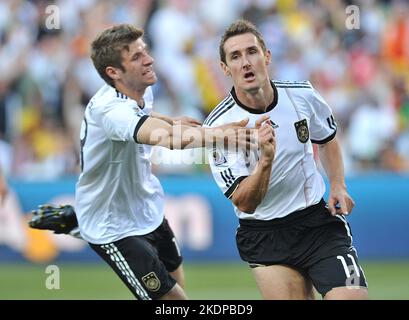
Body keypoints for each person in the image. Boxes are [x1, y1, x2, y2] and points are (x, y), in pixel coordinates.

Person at [30, 24, 257, 301]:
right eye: (136, 57)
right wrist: (221, 135)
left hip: (147, 209)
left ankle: (76, 221)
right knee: (175, 303)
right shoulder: (111, 111)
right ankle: (81, 224)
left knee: (178, 285)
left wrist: (171, 120)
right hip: (113, 226)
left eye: (145, 51)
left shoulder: (139, 89)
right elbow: (167, 139)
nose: (149, 60)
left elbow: (148, 116)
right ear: (114, 73)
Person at [203, 19, 368, 300]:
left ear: (266, 56)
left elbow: (327, 137)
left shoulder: (302, 94)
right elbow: (245, 201)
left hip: (318, 223)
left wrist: (338, 184)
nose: (245, 62)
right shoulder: (220, 127)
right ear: (225, 69)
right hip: (265, 233)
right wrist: (266, 161)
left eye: (252, 52)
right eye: (235, 56)